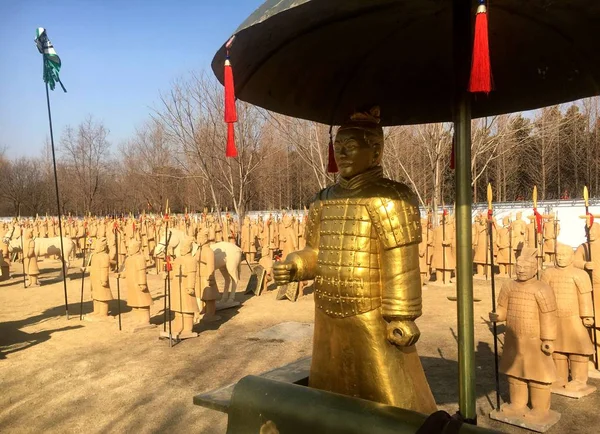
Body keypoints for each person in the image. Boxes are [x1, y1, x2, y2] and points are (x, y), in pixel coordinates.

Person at [273, 107, 436, 412]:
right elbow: (317, 253)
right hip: (327, 311)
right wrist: (295, 265)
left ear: (376, 151)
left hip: (371, 314)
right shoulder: (323, 199)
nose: (343, 154)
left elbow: (401, 263)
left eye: (350, 147)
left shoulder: (392, 197)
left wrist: (401, 315)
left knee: (392, 401)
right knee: (327, 395)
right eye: (338, 147)